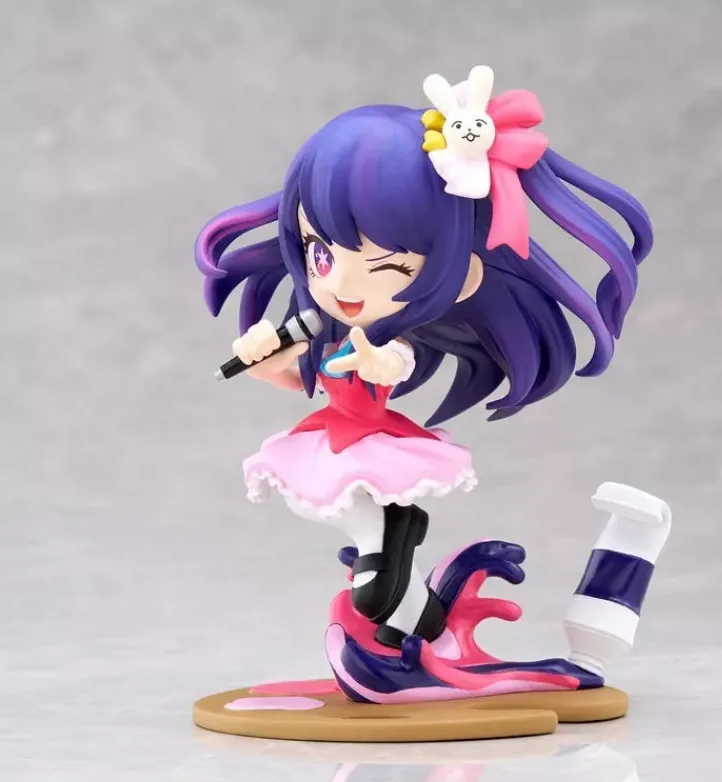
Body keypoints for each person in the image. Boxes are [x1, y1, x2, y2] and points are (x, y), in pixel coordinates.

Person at [194, 65, 653, 652]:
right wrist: (262, 361)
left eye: (389, 265)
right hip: (332, 434)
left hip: (371, 439)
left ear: (461, 271)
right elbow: (292, 378)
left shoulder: (393, 339)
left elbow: (399, 361)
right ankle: (408, 590)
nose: (343, 285)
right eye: (321, 254)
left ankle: (396, 572)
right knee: (327, 507)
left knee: (363, 542)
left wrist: (385, 364)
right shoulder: (323, 325)